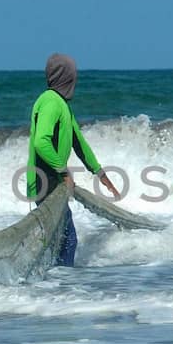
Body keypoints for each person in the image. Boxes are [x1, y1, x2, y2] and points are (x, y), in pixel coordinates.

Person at [26, 54, 120, 267]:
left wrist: (100, 174)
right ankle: (58, 289)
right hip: (46, 183)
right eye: (73, 75)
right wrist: (64, 172)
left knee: (59, 241)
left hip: (53, 183)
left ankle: (51, 285)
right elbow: (41, 142)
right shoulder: (51, 102)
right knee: (67, 241)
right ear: (66, 77)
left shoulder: (62, 105)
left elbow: (79, 142)